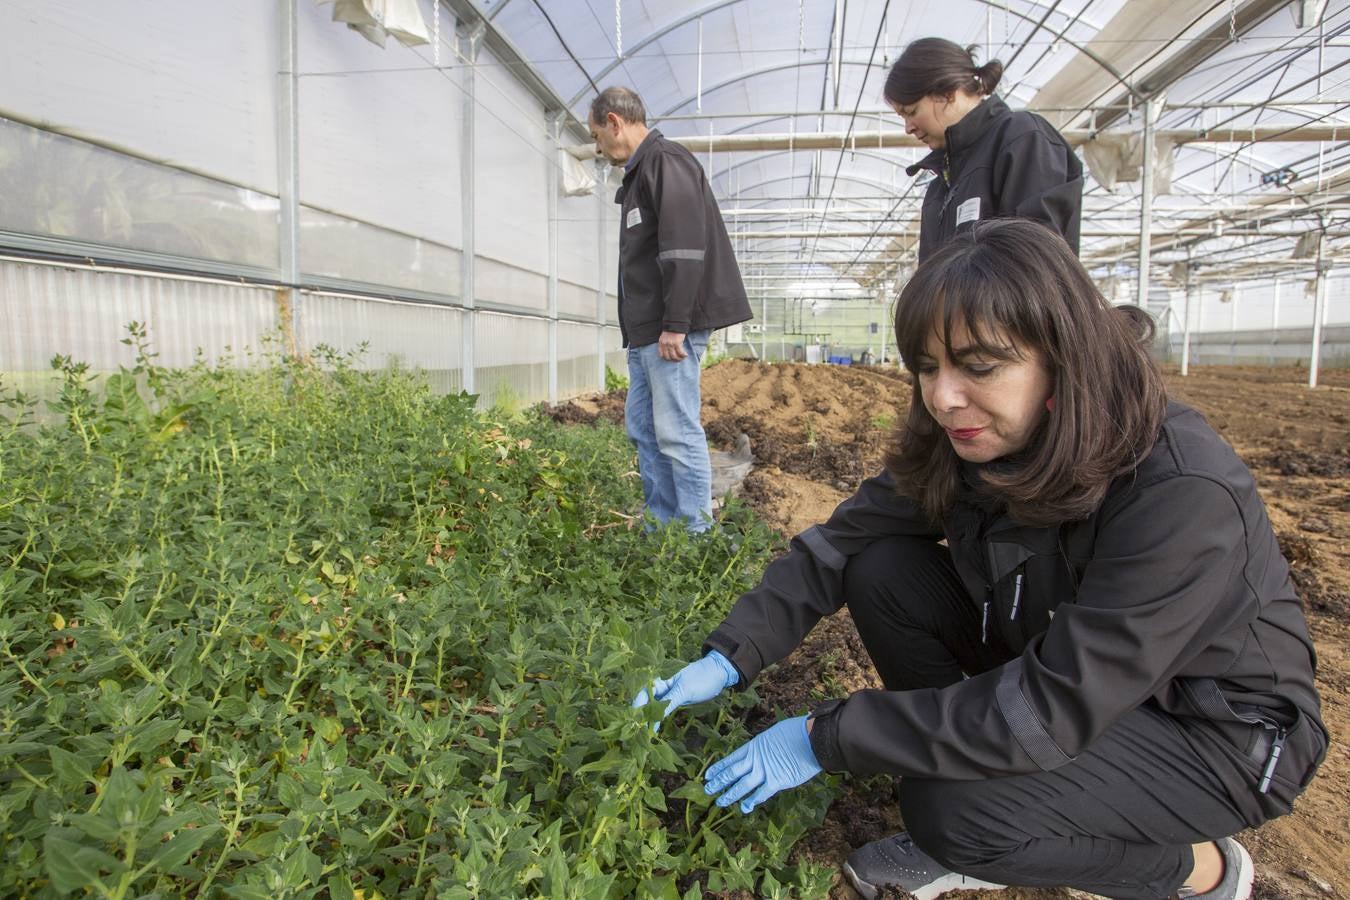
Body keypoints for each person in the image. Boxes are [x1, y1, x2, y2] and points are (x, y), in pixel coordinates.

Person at [633, 220, 1326, 900]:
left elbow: (1051, 707)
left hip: (1214, 733)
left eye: (978, 365)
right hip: (1079, 667)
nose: (942, 397)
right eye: (928, 368)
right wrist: (731, 653)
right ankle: (993, 785)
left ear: (1063, 357)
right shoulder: (970, 437)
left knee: (953, 815)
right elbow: (843, 542)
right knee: (883, 570)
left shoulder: (1178, 490)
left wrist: (826, 737)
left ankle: (1198, 871)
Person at [588, 86, 752, 532]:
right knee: (643, 429)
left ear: (614, 122)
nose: (599, 149)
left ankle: (696, 535)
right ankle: (660, 527)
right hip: (646, 331)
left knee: (677, 432)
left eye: (597, 136)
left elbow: (683, 250)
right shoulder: (640, 175)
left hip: (669, 331)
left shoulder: (666, 162)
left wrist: (676, 325)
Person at [886, 38, 1083, 261]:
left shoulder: (1021, 140)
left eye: (911, 112)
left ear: (948, 92)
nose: (908, 128)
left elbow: (1035, 266)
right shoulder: (940, 187)